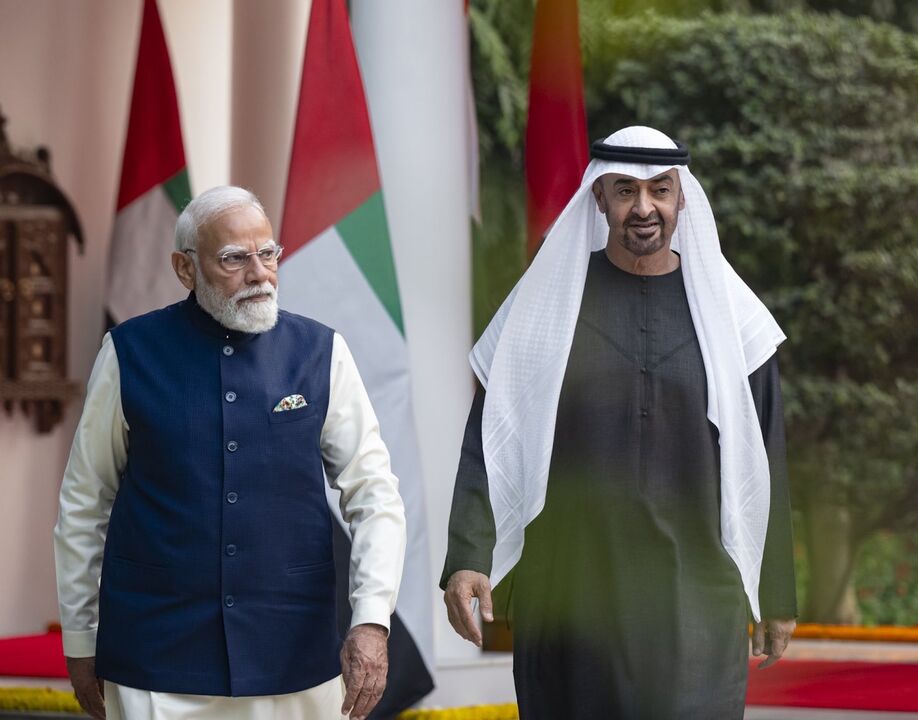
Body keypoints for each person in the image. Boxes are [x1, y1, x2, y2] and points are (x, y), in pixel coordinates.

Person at [442, 126, 797, 719]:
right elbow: (490, 435)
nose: (644, 207)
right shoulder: (547, 302)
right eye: (625, 190)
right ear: (598, 197)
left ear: (683, 198)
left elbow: (768, 457)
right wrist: (468, 554)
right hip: (569, 589)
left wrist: (777, 593)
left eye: (660, 190)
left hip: (696, 593)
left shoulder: (732, 315)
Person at [54, 186, 407, 720]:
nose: (260, 273)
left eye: (268, 254)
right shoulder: (129, 353)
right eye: (233, 259)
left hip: (293, 655)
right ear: (184, 268)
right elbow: (84, 503)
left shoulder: (322, 353)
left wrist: (372, 618)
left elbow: (375, 495)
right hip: (155, 657)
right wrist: (80, 639)